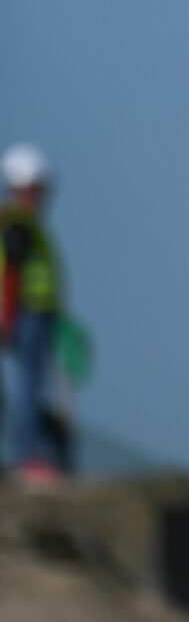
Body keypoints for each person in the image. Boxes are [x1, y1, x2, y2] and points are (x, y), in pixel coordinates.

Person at [1, 145, 67, 484]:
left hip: (31, 311)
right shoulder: (18, 222)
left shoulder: (19, 220)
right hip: (26, 312)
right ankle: (27, 457)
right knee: (29, 385)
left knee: (30, 384)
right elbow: (10, 272)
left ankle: (28, 453)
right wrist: (6, 317)